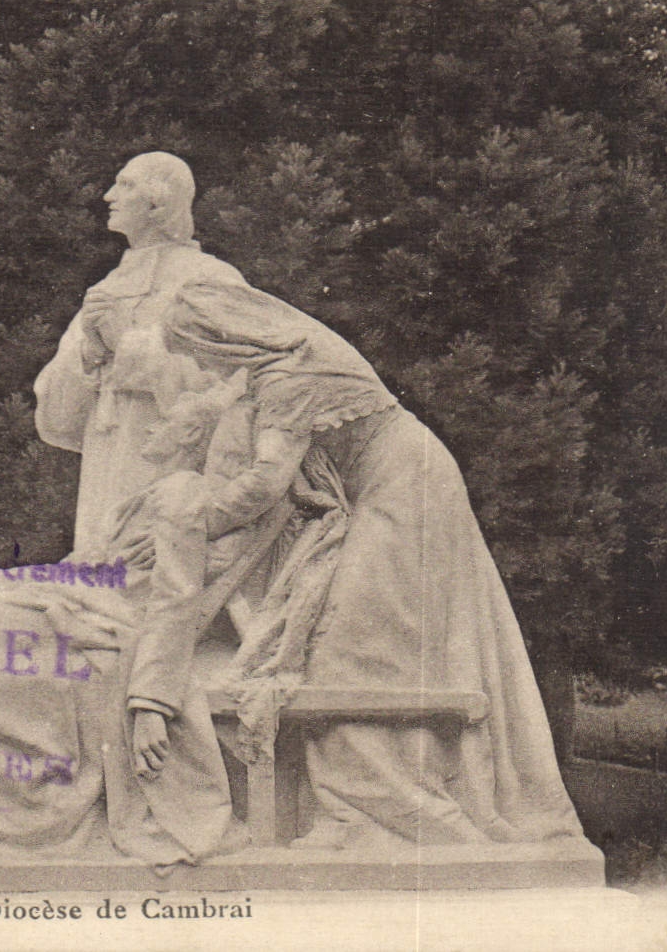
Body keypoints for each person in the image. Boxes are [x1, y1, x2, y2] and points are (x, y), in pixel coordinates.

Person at [125, 279, 584, 848]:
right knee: (353, 642)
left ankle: (376, 817)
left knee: (355, 647)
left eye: (199, 354)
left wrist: (193, 519)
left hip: (404, 489)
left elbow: (265, 486)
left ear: (223, 341)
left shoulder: (289, 379)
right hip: (390, 484)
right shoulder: (286, 358)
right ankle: (364, 811)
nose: (205, 368)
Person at [34, 152, 245, 559]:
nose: (109, 196)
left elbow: (228, 386)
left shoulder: (210, 279)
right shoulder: (109, 286)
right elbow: (56, 419)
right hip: (107, 460)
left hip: (171, 464)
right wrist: (91, 356)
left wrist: (126, 343)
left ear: (157, 201)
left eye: (125, 185)